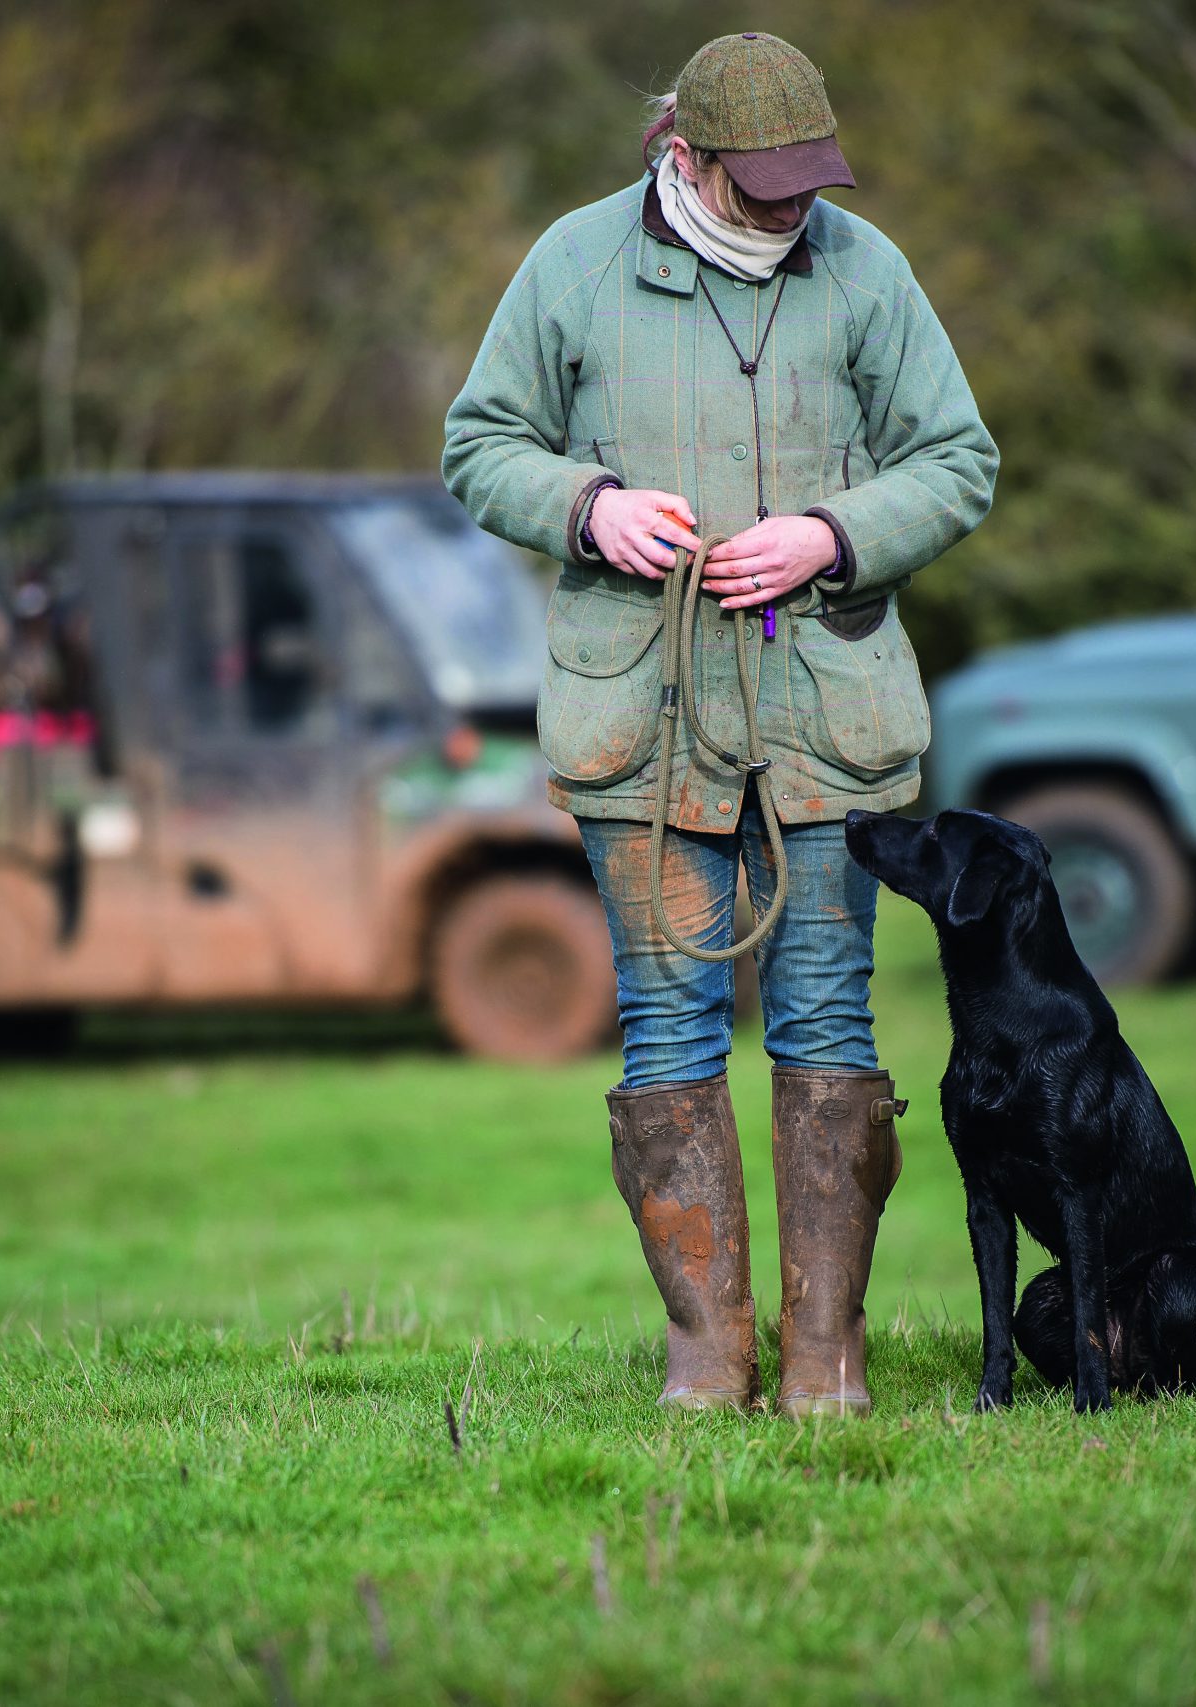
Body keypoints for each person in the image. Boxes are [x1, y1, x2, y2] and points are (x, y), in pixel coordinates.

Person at [442, 32, 997, 1416]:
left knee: (825, 1007)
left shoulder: (865, 269)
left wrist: (833, 531)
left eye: (812, 182)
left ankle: (827, 1362)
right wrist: (589, 507)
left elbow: (959, 457)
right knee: (667, 1019)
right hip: (639, 705)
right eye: (766, 187)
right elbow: (478, 442)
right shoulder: (572, 264)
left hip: (826, 705)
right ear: (682, 156)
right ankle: (709, 1358)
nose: (796, 211)